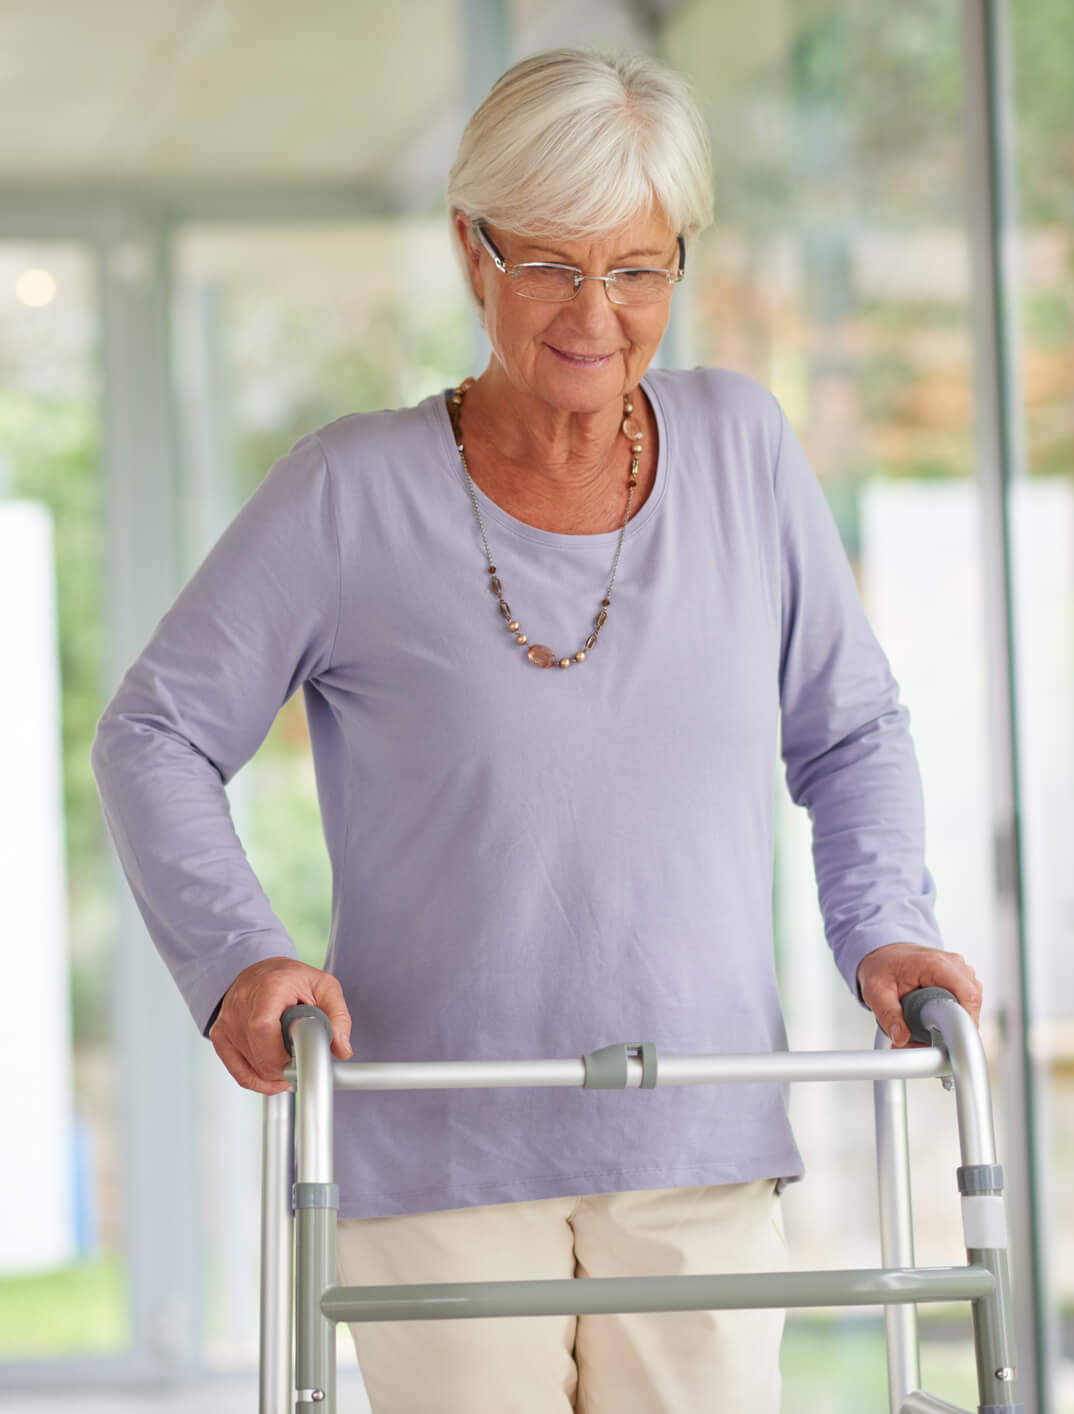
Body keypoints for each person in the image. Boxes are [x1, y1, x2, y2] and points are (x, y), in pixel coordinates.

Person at [89, 45, 984, 1414]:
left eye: (637, 269)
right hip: (440, 1154)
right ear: (471, 250)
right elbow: (153, 732)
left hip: (698, 1137)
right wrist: (240, 959)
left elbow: (852, 730)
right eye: (552, 265)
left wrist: (887, 921)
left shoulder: (744, 450)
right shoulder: (350, 489)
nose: (597, 313)